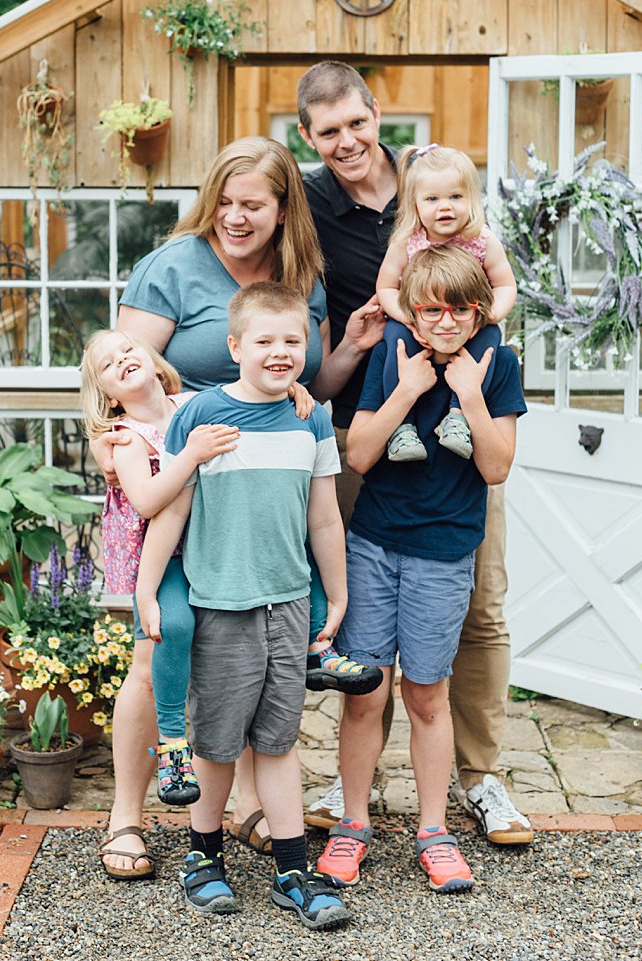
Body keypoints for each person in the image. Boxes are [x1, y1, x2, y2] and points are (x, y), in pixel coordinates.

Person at [94, 137, 382, 876]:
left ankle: (249, 799)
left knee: (251, 652)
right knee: (160, 643)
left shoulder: (300, 277)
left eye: (252, 204)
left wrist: (347, 348)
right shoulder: (172, 267)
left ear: (284, 207)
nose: (234, 216)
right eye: (223, 201)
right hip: (173, 487)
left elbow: (311, 376)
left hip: (254, 496)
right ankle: (128, 813)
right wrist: (115, 449)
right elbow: (117, 373)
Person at [296, 62, 533, 846]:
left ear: (375, 117)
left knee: (479, 606)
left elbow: (501, 285)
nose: (346, 141)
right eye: (328, 132)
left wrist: (481, 355)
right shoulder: (310, 203)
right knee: (368, 623)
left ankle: (481, 775)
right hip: (380, 407)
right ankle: (355, 784)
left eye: (356, 124)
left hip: (466, 428)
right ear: (309, 137)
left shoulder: (436, 187)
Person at [131, 282, 352, 929]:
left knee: (280, 742)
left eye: (293, 340)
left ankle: (292, 871)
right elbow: (169, 513)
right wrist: (146, 590)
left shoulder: (310, 417)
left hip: (286, 605)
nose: (280, 351)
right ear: (235, 346)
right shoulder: (200, 418)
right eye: (265, 340)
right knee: (218, 745)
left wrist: (334, 592)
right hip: (221, 604)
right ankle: (203, 858)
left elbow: (325, 519)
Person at [316, 246, 524, 894]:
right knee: (366, 691)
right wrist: (408, 387)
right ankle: (353, 822)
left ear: (478, 310)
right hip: (375, 543)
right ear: (413, 308)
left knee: (427, 694)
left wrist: (469, 395)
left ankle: (433, 830)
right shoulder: (393, 355)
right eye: (431, 308)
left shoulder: (498, 363)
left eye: (459, 309)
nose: (445, 321)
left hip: (444, 550)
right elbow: (360, 453)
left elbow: (495, 467)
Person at [82, 330, 237, 874]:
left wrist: (297, 395)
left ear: (153, 360)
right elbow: (147, 503)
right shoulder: (124, 438)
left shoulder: (195, 403)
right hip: (163, 561)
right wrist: (191, 452)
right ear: (104, 394)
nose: (122, 358)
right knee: (153, 658)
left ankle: (247, 806)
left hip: (220, 551)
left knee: (235, 661)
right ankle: (128, 814)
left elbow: (253, 404)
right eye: (107, 363)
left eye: (128, 349)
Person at [374, 142, 517, 462]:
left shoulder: (481, 240)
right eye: (432, 199)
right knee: (394, 340)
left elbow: (506, 284)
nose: (445, 207)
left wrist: (490, 315)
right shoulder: (407, 241)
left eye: (456, 197)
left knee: (492, 339)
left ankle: (457, 417)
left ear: (472, 199)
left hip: (467, 322)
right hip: (419, 322)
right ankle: (403, 426)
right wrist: (408, 319)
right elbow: (385, 287)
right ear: (415, 203)